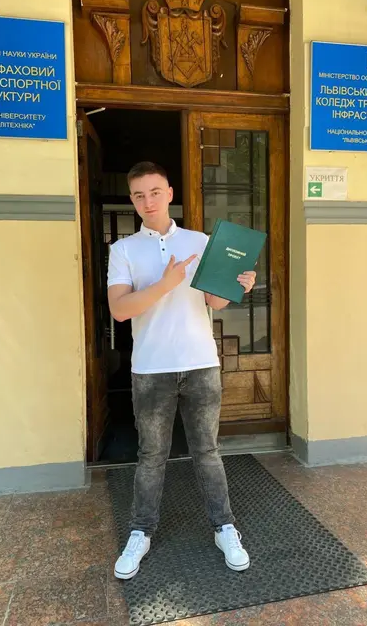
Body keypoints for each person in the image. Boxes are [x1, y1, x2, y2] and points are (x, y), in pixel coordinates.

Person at [107, 161, 256, 580]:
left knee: (207, 451)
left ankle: (224, 528)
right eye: (139, 195)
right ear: (132, 199)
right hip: (150, 368)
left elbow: (215, 301)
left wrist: (238, 286)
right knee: (151, 455)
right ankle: (141, 532)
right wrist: (165, 284)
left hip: (200, 363)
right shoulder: (123, 250)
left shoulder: (200, 241)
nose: (148, 201)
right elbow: (120, 310)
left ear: (170, 193)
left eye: (155, 192)